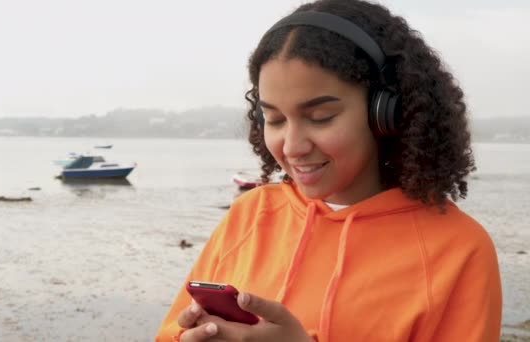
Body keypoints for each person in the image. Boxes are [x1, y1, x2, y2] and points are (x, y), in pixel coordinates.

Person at [155, 0, 502, 341]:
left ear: (387, 114)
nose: (291, 146)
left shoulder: (459, 250)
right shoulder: (250, 214)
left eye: (320, 117)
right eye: (274, 119)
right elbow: (167, 333)